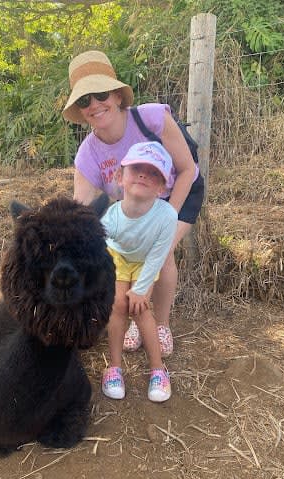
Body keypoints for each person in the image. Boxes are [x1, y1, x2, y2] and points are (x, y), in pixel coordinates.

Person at [62, 50, 204, 356]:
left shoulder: (151, 118)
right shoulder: (87, 155)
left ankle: (159, 325)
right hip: (135, 204)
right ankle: (126, 317)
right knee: (121, 254)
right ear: (79, 109)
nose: (94, 105)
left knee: (160, 251)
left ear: (116, 94)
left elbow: (187, 169)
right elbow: (83, 213)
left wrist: (165, 219)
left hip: (180, 189)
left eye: (100, 94)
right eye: (84, 100)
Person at [100, 141, 178, 402]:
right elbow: (102, 248)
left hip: (146, 261)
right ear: (120, 177)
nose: (144, 174)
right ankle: (114, 367)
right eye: (136, 169)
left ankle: (158, 370)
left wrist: (141, 289)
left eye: (153, 172)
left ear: (162, 187)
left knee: (141, 308)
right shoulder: (109, 217)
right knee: (118, 306)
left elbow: (158, 255)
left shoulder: (167, 216)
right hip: (118, 257)